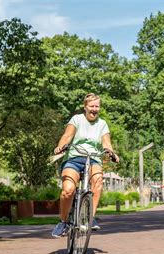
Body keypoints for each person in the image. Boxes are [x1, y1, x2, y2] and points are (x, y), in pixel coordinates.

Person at [51, 93, 119, 237]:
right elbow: (67, 136)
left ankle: (90, 218)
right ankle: (63, 222)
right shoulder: (77, 119)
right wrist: (61, 146)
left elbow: (106, 143)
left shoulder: (102, 124)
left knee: (98, 181)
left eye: (97, 106)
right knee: (68, 190)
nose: (94, 109)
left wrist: (111, 153)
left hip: (94, 158)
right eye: (92, 106)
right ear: (85, 107)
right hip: (74, 157)